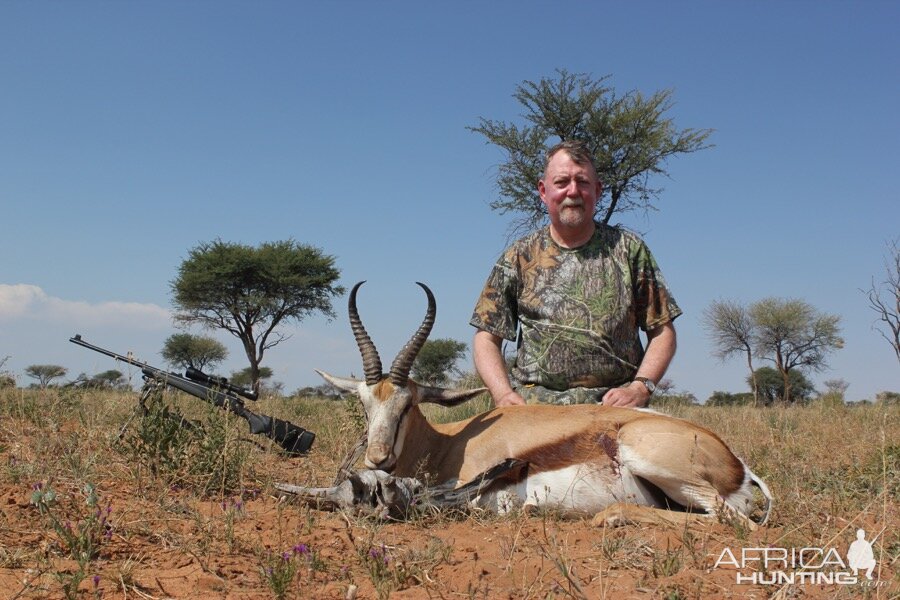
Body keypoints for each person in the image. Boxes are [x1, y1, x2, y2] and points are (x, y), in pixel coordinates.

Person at [470, 140, 681, 408]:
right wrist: (502, 394)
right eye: (562, 182)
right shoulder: (518, 256)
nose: (573, 191)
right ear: (543, 191)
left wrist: (641, 388)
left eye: (582, 182)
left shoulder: (629, 249)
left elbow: (663, 331)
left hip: (616, 406)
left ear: (598, 189)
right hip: (535, 407)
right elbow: (486, 338)